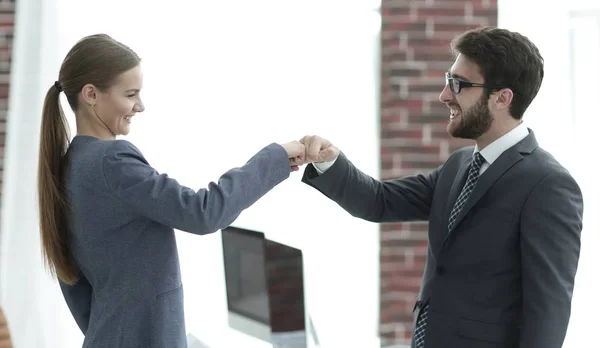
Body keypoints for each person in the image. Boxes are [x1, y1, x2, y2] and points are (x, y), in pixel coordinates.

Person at [298, 27, 584, 348]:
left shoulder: (549, 185)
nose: (445, 95)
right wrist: (329, 160)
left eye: (458, 84)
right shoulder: (458, 165)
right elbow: (379, 201)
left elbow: (548, 313)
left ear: (502, 98)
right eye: (449, 80)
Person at [37, 34, 305, 348]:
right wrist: (276, 157)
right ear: (91, 94)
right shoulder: (112, 162)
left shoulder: (71, 165)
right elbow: (202, 213)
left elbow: (76, 288)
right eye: (130, 94)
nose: (140, 106)